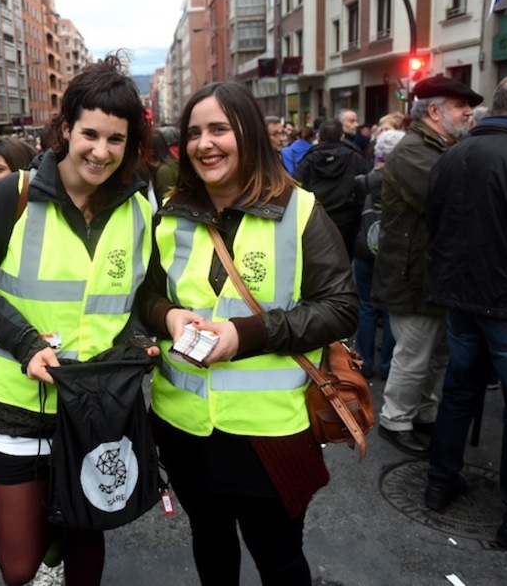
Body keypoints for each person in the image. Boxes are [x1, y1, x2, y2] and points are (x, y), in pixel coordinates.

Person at [135, 81, 358, 586]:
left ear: (250, 133)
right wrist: (168, 316)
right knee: (211, 550)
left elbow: (341, 308)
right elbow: (146, 297)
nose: (204, 143)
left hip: (270, 434)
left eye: (219, 128)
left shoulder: (300, 210)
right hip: (183, 425)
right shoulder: (170, 212)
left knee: (279, 559)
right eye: (194, 132)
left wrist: (247, 334)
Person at [0, 54, 155, 586]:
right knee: (20, 566)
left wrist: (140, 340)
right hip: (20, 403)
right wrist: (23, 343)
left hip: (97, 406)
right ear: (66, 130)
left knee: (87, 540)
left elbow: (142, 297)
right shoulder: (13, 195)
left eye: (116, 139)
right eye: (90, 134)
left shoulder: (139, 209)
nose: (101, 151)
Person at [425, 73, 507, 552]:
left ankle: (440, 482)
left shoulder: (451, 155)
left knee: (459, 391)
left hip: (463, 298)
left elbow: (435, 220)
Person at [372, 75, 483, 457]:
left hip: (431, 274)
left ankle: (421, 412)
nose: (469, 113)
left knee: (435, 355)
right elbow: (451, 203)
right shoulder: (412, 152)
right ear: (434, 112)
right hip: (412, 276)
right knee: (414, 354)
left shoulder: (442, 147)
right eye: (459, 107)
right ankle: (395, 419)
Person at [351, 129, 404, 380]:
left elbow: (354, 216)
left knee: (366, 307)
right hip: (394, 251)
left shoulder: (365, 180)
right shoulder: (406, 180)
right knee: (391, 309)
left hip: (364, 249)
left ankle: (363, 360)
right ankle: (387, 366)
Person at [294, 118, 367, 256]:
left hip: (318, 218)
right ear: (342, 137)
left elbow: (297, 187)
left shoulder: (309, 160)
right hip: (348, 220)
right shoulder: (355, 158)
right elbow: (364, 187)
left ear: (319, 137)